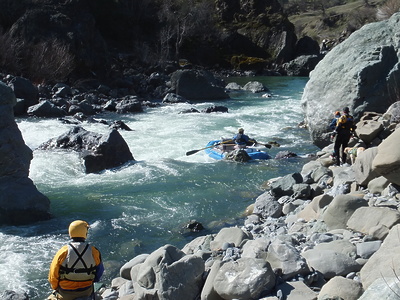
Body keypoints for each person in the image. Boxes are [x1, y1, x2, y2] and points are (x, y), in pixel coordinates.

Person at [48, 220, 104, 300]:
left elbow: (52, 276)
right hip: (86, 291)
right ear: (85, 233)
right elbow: (99, 273)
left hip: (65, 293)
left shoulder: (63, 251)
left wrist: (56, 288)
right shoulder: (94, 251)